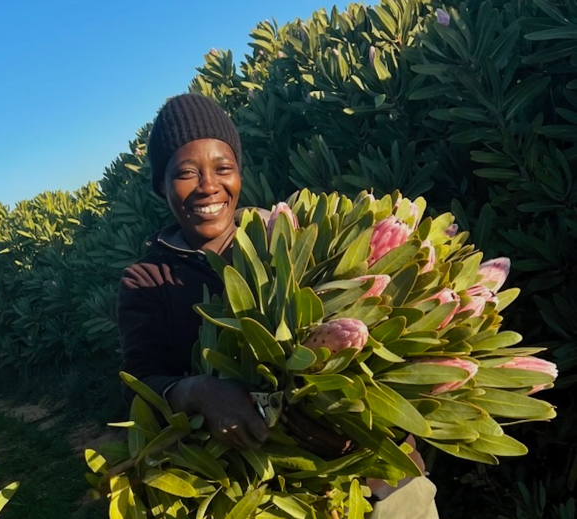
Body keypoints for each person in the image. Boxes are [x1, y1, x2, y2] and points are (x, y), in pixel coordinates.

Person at [117, 92, 439, 518]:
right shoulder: (147, 279)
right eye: (186, 172)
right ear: (161, 184)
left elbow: (403, 351)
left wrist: (357, 426)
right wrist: (200, 392)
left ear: (240, 174)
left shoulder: (291, 232)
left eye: (223, 168)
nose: (208, 186)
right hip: (264, 488)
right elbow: (141, 384)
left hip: (381, 478)